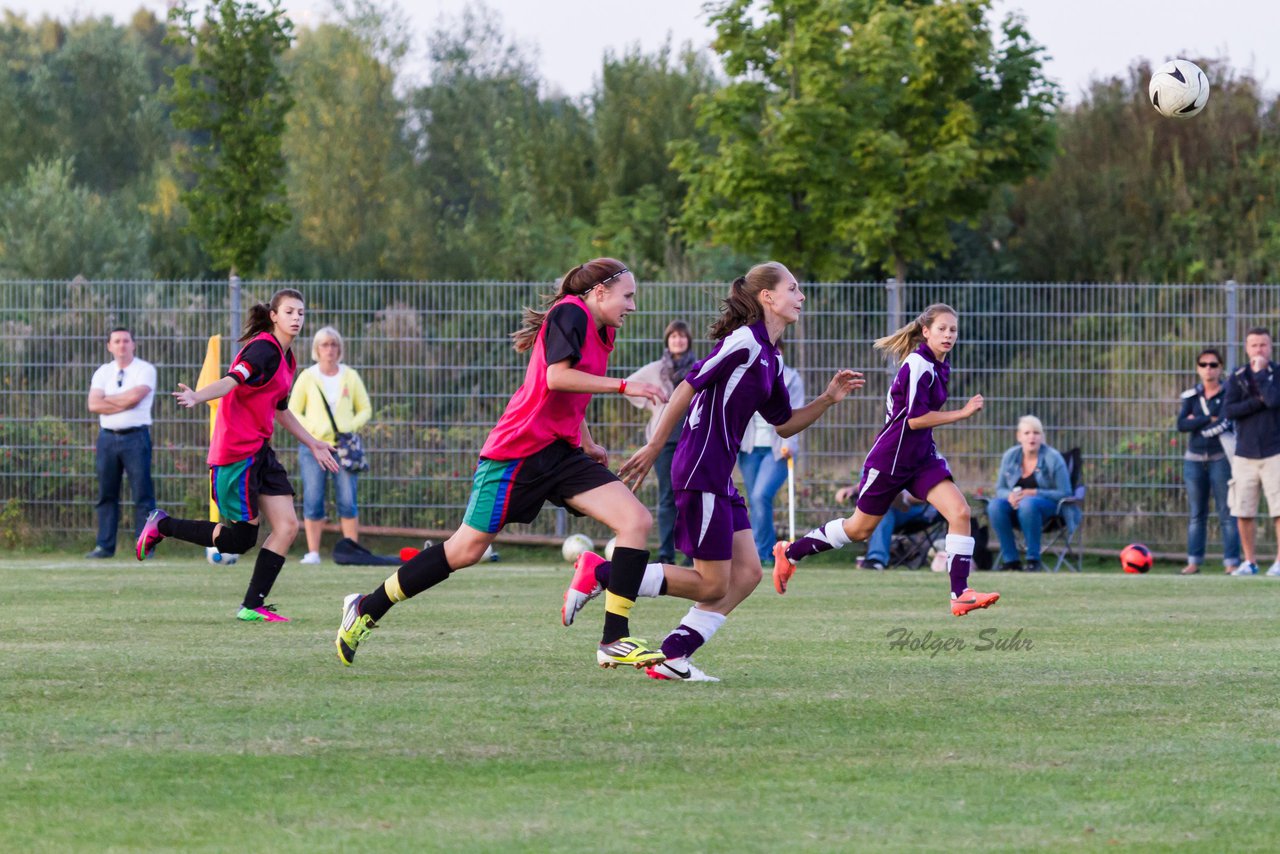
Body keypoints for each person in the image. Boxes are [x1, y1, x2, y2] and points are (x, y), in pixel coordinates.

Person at [334, 258, 670, 669]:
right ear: (600, 292)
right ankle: (366, 607)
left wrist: (588, 442)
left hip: (561, 454)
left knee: (635, 521)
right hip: (518, 453)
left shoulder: (599, 329)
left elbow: (568, 394)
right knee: (465, 550)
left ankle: (614, 639)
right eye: (628, 296)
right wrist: (624, 385)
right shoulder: (571, 312)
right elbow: (555, 378)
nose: (632, 306)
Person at [566, 262, 862, 682]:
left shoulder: (771, 359)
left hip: (719, 476)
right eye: (793, 288)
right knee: (711, 584)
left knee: (748, 574)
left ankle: (674, 655)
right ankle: (602, 573)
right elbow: (689, 385)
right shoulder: (743, 342)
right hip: (700, 470)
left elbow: (784, 423)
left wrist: (829, 398)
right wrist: (653, 445)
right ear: (768, 297)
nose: (801, 296)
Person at [771, 303, 1000, 617]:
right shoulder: (919, 363)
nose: (948, 335)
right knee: (859, 529)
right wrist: (962, 412)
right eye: (942, 329)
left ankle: (960, 593)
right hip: (891, 458)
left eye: (953, 330)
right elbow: (915, 420)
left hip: (921, 457)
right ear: (926, 332)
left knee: (960, 512)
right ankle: (790, 551)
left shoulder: (940, 364)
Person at [134, 289, 341, 622]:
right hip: (236, 454)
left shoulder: (288, 359)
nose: (296, 318)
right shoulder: (263, 350)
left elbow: (281, 410)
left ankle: (252, 606)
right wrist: (198, 396)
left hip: (260, 449)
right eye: (289, 312)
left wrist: (314, 442)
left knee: (287, 526)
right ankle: (163, 524)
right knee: (239, 540)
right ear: (274, 316)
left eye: (301, 313)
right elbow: (231, 381)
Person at [287, 326, 373, 565]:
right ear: (317, 349)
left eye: (334, 344)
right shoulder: (307, 377)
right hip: (313, 448)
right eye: (325, 345)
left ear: (339, 348)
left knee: (348, 499)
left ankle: (351, 550)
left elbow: (365, 408)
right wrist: (312, 434)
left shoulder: (350, 376)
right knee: (313, 498)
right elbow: (293, 410)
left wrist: (350, 427)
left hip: (343, 449)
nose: (330, 349)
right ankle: (313, 552)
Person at [622, 319, 697, 564]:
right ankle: (666, 554)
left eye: (682, 336)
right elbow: (630, 384)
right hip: (662, 442)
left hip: (692, 439)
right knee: (667, 497)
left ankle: (690, 554)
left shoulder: (698, 367)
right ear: (667, 340)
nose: (678, 340)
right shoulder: (656, 369)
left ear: (688, 340)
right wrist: (653, 403)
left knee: (690, 496)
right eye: (673, 336)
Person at [86, 328, 157, 559]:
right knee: (107, 494)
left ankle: (145, 546)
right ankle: (104, 546)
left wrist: (107, 400)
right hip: (107, 438)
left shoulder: (145, 370)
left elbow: (135, 399)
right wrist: (122, 402)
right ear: (109, 346)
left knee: (142, 494)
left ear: (133, 344)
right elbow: (93, 405)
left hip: (136, 438)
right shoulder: (102, 372)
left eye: (126, 340)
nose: (122, 345)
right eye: (117, 341)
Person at [738, 343, 805, 564]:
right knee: (756, 502)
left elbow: (795, 414)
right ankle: (758, 551)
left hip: (778, 450)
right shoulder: (750, 375)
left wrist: (790, 443)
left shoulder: (792, 379)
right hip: (748, 449)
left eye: (778, 351)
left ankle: (764, 553)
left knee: (760, 496)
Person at [1176, 347, 1239, 574]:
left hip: (1220, 457)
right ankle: (1194, 561)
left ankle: (1232, 563)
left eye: (1213, 364)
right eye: (1203, 365)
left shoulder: (1228, 394)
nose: (1208, 369)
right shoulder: (1191, 397)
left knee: (1227, 511)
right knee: (1196, 513)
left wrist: (1198, 421)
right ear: (1197, 368)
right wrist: (1206, 419)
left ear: (1220, 368)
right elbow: (1182, 424)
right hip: (1194, 459)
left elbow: (1224, 421)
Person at [1223, 327, 1280, 576]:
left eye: (1264, 345)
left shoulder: (1276, 374)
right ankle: (1250, 562)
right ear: (1247, 348)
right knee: (1243, 510)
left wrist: (1260, 376)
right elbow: (1229, 411)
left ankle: (1279, 562)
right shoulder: (1236, 377)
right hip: (1244, 453)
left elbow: (1274, 400)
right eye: (1254, 345)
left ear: (1271, 347)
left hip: (1274, 451)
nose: (1259, 349)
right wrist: (1257, 402)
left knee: (1279, 510)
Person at [986, 415, 1075, 572]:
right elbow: (999, 489)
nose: (1032, 437)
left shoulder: (1053, 458)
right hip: (1016, 509)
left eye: (1036, 432)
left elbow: (1065, 492)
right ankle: (1011, 560)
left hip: (1050, 511)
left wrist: (1034, 492)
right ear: (1019, 436)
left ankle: (1033, 559)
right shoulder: (1010, 456)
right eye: (1027, 433)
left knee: (1028, 504)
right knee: (994, 506)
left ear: (1042, 437)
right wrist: (1009, 496)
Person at [845, 486, 939, 571]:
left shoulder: (935, 467)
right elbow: (868, 480)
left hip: (920, 511)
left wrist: (906, 499)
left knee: (882, 510)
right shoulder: (876, 467)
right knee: (880, 508)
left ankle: (877, 559)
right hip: (890, 511)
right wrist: (851, 489)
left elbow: (939, 492)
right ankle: (876, 561)